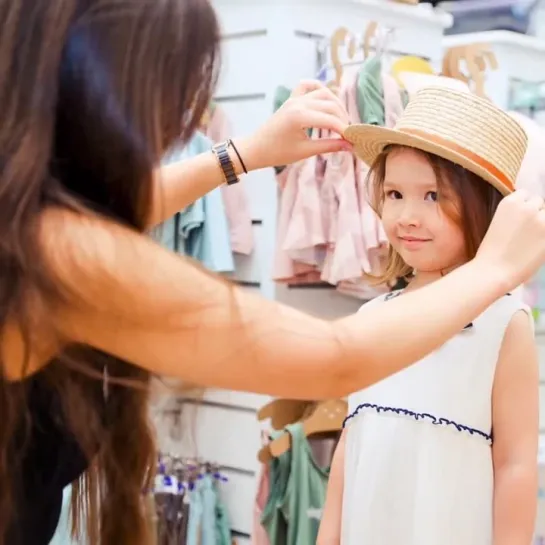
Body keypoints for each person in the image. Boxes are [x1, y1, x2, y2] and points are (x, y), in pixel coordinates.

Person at [2, 1, 545, 545]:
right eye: (171, 96)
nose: (181, 123)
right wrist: (493, 269)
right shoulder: (56, 253)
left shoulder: (29, 226)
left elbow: (99, 210)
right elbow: (337, 361)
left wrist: (244, 154)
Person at [318, 87, 539, 545]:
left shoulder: (503, 324)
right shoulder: (373, 315)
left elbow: (517, 463)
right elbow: (350, 442)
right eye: (395, 193)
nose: (407, 217)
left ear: (485, 208)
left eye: (433, 196)